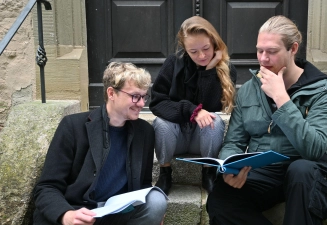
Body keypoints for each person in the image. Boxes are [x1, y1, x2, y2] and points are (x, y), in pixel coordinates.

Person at [206, 15, 327, 225]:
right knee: (221, 197)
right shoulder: (249, 89)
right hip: (266, 169)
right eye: (260, 50)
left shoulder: (321, 89)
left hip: (308, 171)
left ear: (293, 49)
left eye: (272, 52)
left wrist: (282, 99)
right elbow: (234, 142)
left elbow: (315, 149)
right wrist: (229, 167)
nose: (263, 59)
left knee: (301, 171)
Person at [33, 62, 168, 225]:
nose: (141, 104)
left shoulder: (145, 131)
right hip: (79, 211)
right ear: (111, 93)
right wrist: (67, 215)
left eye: (144, 96)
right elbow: (47, 187)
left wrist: (154, 216)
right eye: (135, 96)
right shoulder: (73, 126)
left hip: (117, 213)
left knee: (156, 200)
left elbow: (143, 184)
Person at [149, 16, 237, 195]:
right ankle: (165, 173)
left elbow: (213, 105)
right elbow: (157, 102)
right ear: (185, 49)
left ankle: (208, 173)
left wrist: (210, 70)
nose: (202, 56)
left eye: (206, 48)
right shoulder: (173, 63)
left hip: (202, 138)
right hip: (176, 136)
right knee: (160, 124)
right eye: (193, 51)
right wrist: (193, 110)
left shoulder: (226, 69)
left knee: (216, 122)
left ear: (214, 42)